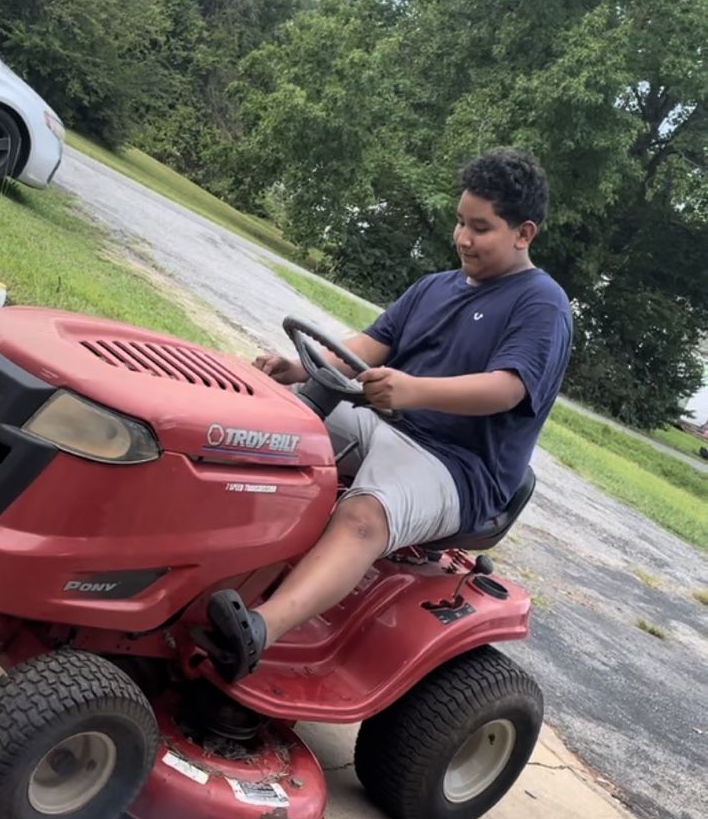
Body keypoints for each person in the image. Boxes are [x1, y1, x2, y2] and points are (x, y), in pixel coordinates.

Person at [203, 147, 573, 680]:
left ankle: (257, 630)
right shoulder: (435, 286)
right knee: (265, 423)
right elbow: (371, 344)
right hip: (389, 423)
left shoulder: (541, 303)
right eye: (460, 222)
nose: (463, 238)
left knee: (363, 517)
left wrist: (413, 390)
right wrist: (299, 368)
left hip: (458, 466)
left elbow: (507, 388)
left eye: (481, 228)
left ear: (524, 233)